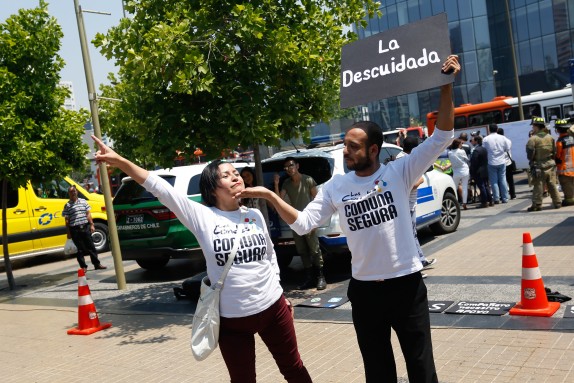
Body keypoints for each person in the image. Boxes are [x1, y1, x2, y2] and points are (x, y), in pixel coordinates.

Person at [238, 55, 461, 383]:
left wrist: (445, 87)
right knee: (378, 370)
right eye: (345, 146)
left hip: (406, 286)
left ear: (373, 150)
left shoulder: (400, 171)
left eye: (353, 147)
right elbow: (303, 223)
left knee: (421, 367)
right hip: (365, 292)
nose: (346, 152)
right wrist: (271, 196)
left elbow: (441, 136)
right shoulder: (335, 187)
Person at [92, 137, 313, 383]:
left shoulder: (254, 215)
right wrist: (120, 161)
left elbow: (270, 257)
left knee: (294, 369)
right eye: (227, 175)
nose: (236, 177)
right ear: (211, 187)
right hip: (231, 321)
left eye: (236, 173)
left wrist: (280, 294)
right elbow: (158, 187)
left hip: (274, 309)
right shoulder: (201, 216)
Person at [274, 157, 326, 291]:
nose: (289, 169)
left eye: (291, 165)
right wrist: (276, 184)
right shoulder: (286, 183)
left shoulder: (308, 180)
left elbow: (318, 200)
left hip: (309, 220)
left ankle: (320, 277)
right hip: (296, 221)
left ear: (297, 166)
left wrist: (315, 222)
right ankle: (309, 278)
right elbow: (279, 201)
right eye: (286, 168)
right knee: (302, 250)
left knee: (314, 249)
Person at [396, 136, 437, 276]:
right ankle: (416, 268)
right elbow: (410, 183)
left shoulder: (408, 158)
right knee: (408, 236)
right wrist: (419, 180)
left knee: (412, 234)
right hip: (404, 204)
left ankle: (421, 260)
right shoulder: (402, 160)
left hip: (409, 203)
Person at [63, 186, 107, 272]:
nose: (73, 193)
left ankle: (96, 264)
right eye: (71, 192)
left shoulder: (83, 202)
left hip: (85, 227)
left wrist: (91, 225)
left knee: (91, 246)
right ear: (69, 193)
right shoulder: (67, 205)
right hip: (75, 229)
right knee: (79, 249)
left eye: (74, 191)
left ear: (77, 192)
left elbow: (88, 214)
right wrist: (68, 232)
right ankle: (83, 266)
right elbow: (67, 220)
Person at [526, 117, 562, 211]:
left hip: (539, 166)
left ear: (536, 126)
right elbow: (554, 151)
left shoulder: (532, 139)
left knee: (538, 185)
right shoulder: (550, 137)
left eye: (533, 126)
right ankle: (557, 202)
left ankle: (537, 205)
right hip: (551, 164)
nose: (532, 128)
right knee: (552, 184)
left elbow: (530, 155)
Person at [483, 123, 511, 204]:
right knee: (503, 179)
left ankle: (496, 198)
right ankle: (505, 197)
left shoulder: (486, 139)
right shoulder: (503, 138)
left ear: (489, 129)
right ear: (497, 129)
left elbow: (484, 150)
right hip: (502, 160)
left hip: (491, 161)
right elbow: (508, 147)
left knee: (493, 181)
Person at [442, 138, 470, 209]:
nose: (462, 145)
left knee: (454, 187)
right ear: (458, 144)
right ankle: (464, 203)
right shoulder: (462, 151)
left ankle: (454, 202)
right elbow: (466, 159)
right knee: (464, 187)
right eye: (461, 143)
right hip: (464, 169)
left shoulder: (450, 153)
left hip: (456, 171)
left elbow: (452, 162)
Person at [554, 119, 574, 206]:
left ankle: (569, 200)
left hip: (564, 169)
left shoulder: (560, 142)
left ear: (558, 130)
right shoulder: (573, 138)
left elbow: (558, 155)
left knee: (567, 186)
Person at [470, 135, 493, 208]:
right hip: (485, 170)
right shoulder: (484, 149)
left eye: (472, 140)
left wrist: (472, 172)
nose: (471, 142)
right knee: (486, 186)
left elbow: (474, 162)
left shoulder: (476, 150)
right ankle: (490, 200)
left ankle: (484, 202)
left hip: (478, 171)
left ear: (476, 141)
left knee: (481, 186)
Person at [497, 127, 516, 199]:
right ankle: (513, 194)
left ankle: (503, 195)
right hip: (509, 162)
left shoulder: (498, 141)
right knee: (510, 180)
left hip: (501, 162)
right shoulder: (508, 140)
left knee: (501, 180)